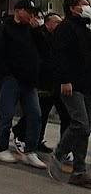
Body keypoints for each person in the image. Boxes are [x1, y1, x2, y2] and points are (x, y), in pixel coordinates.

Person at [0, 0, 46, 168]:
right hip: (12, 79)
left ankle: (30, 151)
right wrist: (7, 72)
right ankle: (1, 148)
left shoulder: (32, 30)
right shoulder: (4, 29)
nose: (31, 15)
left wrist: (38, 31)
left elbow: (44, 50)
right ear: (18, 11)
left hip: (30, 81)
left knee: (35, 115)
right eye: (28, 11)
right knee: (7, 114)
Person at [48, 0, 91, 187]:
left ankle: (79, 171)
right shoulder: (65, 28)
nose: (88, 7)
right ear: (73, 8)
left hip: (85, 84)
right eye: (84, 4)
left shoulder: (85, 28)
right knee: (80, 124)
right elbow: (59, 56)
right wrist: (65, 80)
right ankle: (59, 153)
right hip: (71, 85)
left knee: (85, 129)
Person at [13, 11, 68, 153]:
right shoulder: (39, 35)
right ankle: (21, 133)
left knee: (53, 114)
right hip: (42, 82)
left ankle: (39, 140)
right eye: (57, 22)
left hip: (55, 82)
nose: (59, 25)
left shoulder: (58, 37)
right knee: (39, 112)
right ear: (49, 23)